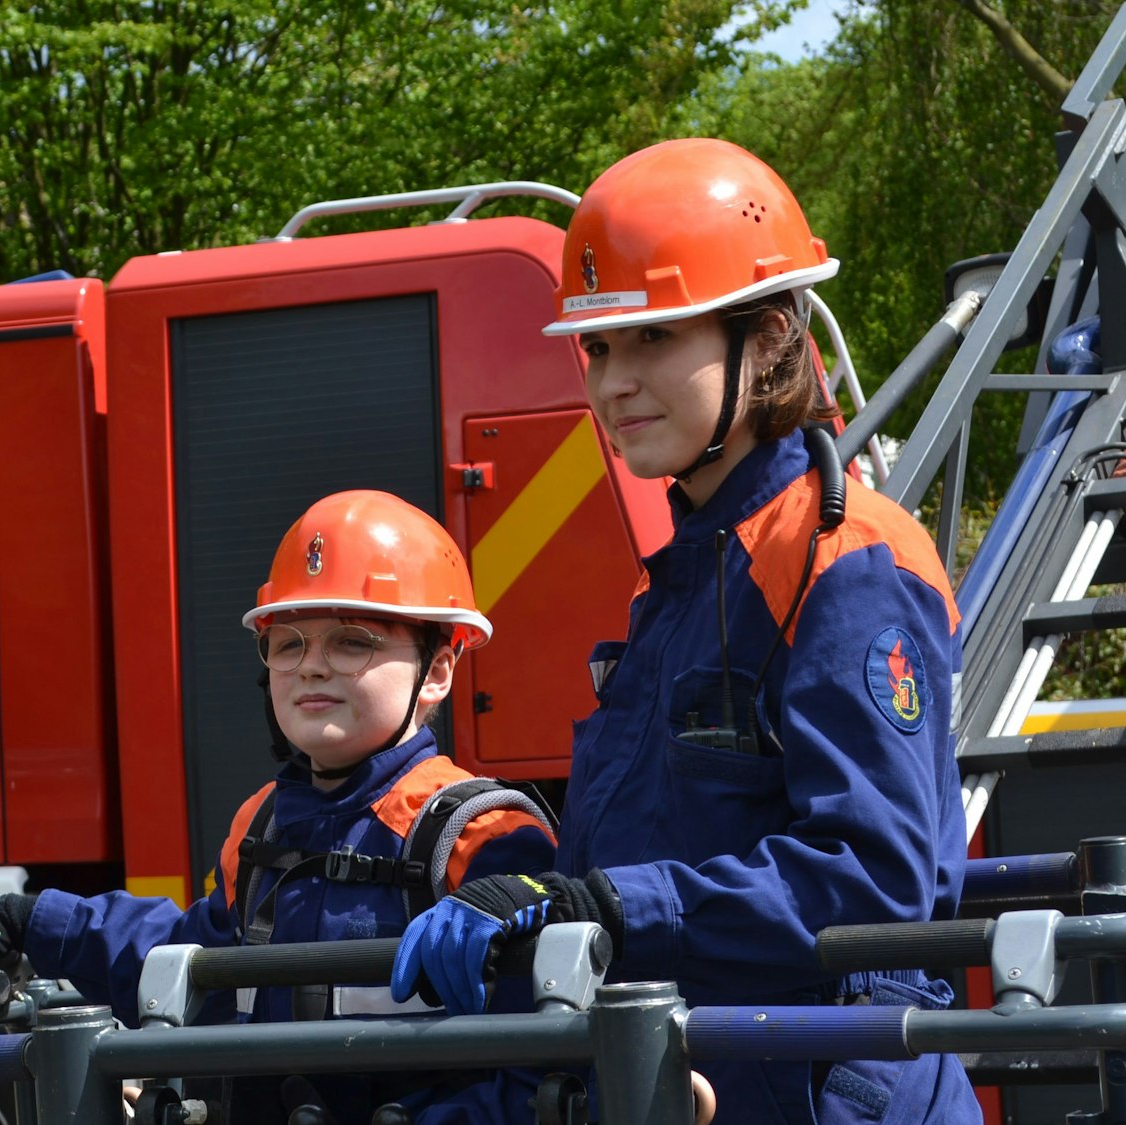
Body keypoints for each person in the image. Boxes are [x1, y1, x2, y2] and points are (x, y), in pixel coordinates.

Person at [388, 138, 980, 1125]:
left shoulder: (844, 559)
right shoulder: (685, 570)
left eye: (653, 337)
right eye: (596, 347)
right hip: (698, 1076)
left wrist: (606, 909)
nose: (613, 382)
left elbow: (871, 879)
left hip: (827, 1088)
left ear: (774, 333)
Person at [0, 490, 559, 1123]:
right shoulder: (261, 824)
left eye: (351, 642)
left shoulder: (483, 835)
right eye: (287, 644)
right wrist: (24, 921)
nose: (311, 667)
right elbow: (190, 962)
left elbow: (546, 1064)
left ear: (440, 671)